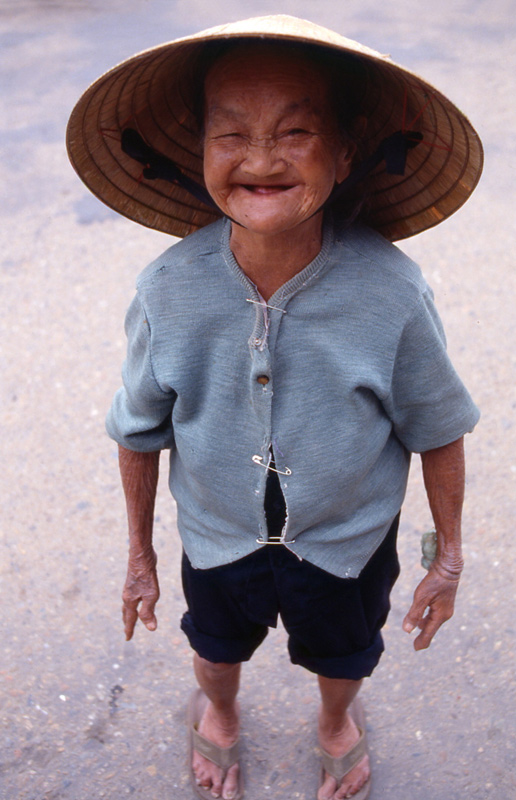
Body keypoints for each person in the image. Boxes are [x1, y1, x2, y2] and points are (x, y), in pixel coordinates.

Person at [67, 15, 482, 800]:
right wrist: (139, 557)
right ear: (200, 151)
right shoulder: (166, 290)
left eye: (295, 132)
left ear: (346, 152)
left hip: (348, 544)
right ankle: (220, 712)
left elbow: (439, 428)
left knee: (345, 654)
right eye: (231, 134)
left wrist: (448, 558)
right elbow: (138, 430)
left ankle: (336, 721)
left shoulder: (393, 292)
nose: (260, 160)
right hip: (217, 537)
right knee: (214, 648)